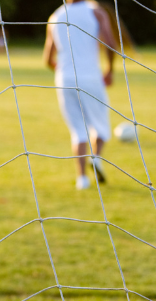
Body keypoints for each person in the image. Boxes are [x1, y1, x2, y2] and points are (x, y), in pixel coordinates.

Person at [44, 0, 116, 190]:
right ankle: (97, 159)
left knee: (78, 130)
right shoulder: (96, 12)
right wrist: (109, 70)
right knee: (100, 124)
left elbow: (48, 59)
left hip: (64, 80)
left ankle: (82, 179)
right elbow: (110, 43)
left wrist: (64, 72)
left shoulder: (55, 16)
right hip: (91, 77)